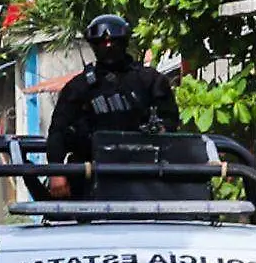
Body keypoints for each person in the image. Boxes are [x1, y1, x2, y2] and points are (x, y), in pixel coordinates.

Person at [45, 15, 180, 198]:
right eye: (102, 43)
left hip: (144, 176)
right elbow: (58, 131)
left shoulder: (150, 81)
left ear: (123, 42)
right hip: (90, 176)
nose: (108, 47)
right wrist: (57, 172)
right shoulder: (79, 87)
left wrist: (159, 132)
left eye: (114, 42)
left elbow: (170, 124)